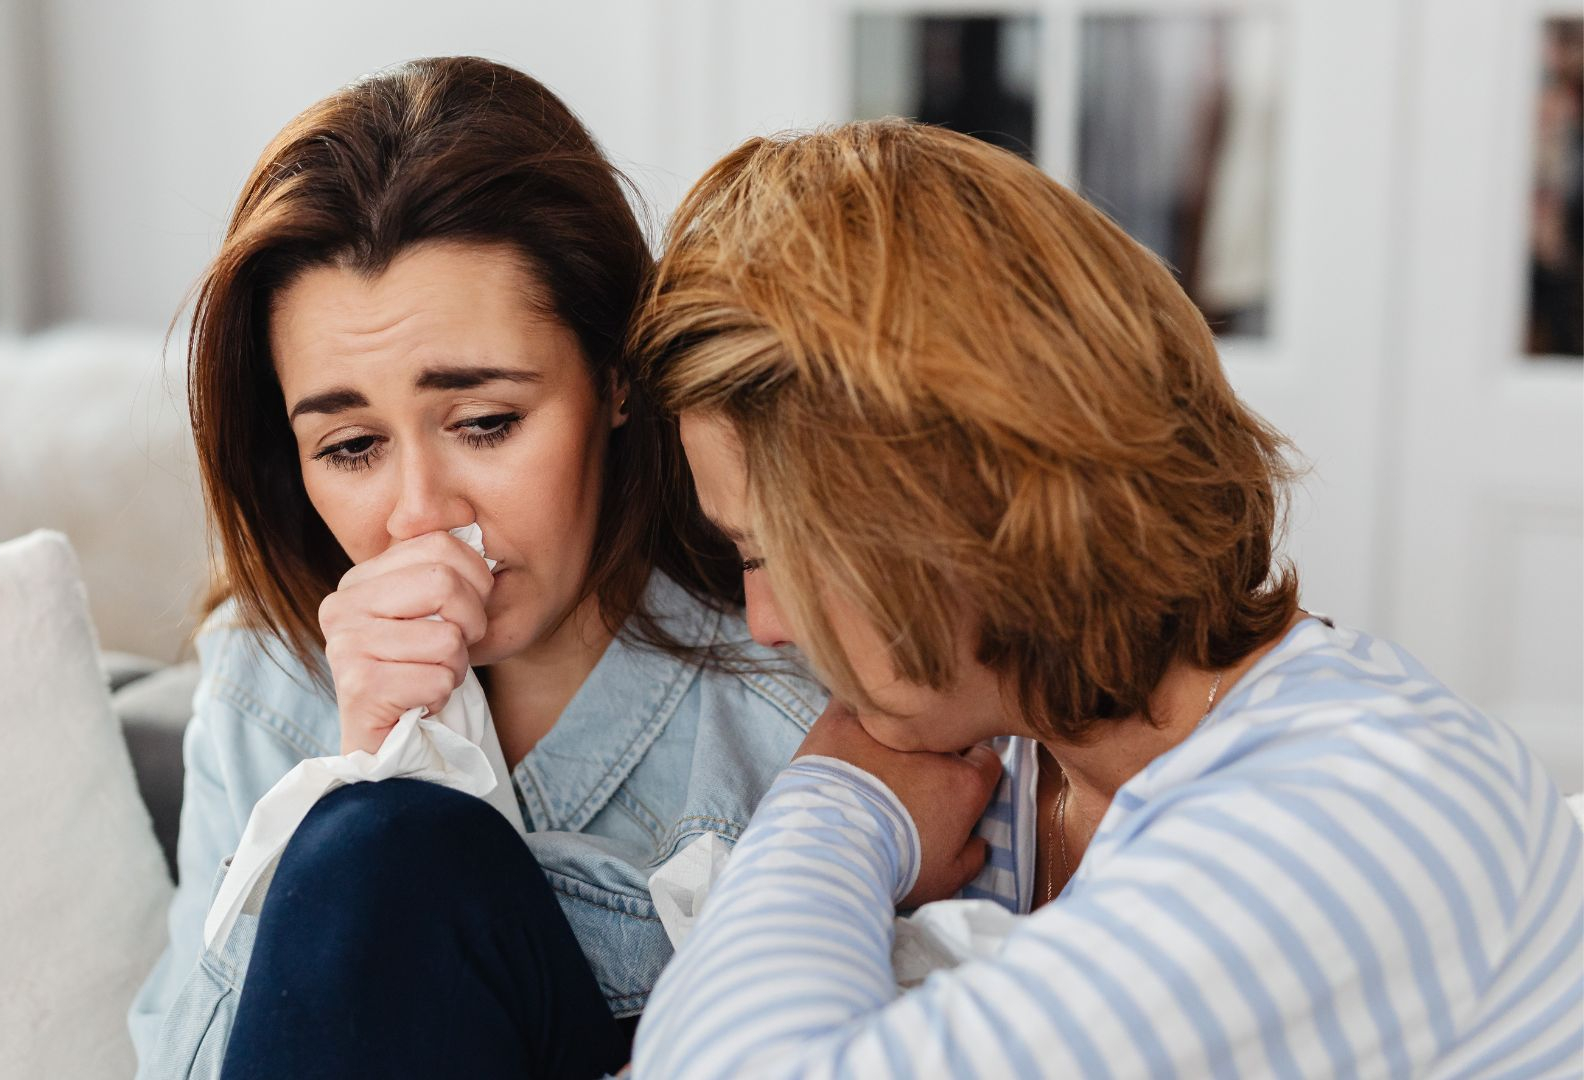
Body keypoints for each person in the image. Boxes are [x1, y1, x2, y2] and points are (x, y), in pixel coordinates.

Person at [630, 119, 1584, 1078]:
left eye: (774, 556)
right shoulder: (1018, 749)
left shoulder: (1356, 819)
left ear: (959, 510)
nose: (767, 623)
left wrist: (835, 804)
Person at [126, 58, 820, 1080]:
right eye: (351, 447)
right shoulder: (268, 677)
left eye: (486, 424)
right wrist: (360, 774)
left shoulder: (786, 695)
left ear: (616, 381)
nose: (419, 516)